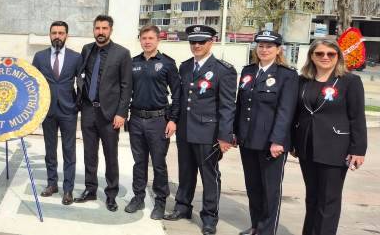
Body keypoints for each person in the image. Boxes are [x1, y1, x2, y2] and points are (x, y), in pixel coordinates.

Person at [164, 25, 237, 235]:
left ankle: (209, 217)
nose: (196, 46)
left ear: (211, 42)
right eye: (193, 42)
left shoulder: (224, 70)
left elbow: (227, 105)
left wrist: (225, 136)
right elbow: (179, 98)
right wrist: (174, 120)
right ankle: (182, 207)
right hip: (186, 130)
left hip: (209, 133)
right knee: (185, 173)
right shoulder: (186, 67)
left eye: (201, 42)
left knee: (209, 177)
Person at [293, 39, 366, 235]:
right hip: (307, 147)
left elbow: (357, 117)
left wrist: (358, 150)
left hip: (335, 148)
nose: (325, 57)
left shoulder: (350, 81)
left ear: (338, 56)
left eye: (330, 54)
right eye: (319, 53)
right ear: (311, 56)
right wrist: (293, 141)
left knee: (328, 199)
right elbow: (296, 113)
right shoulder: (303, 81)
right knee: (312, 197)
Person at [234, 30, 298, 235]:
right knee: (253, 187)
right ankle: (256, 226)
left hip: (271, 143)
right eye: (260, 45)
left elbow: (286, 111)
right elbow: (241, 105)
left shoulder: (286, 75)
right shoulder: (248, 71)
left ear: (278, 49)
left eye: (269, 46)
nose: (264, 49)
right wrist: (235, 132)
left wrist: (277, 140)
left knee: (270, 190)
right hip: (247, 139)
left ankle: (267, 230)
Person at [74, 15, 132, 212]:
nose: (100, 32)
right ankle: (90, 190)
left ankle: (111, 194)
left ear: (111, 30)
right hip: (89, 110)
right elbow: (81, 75)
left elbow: (126, 86)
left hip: (109, 115)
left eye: (104, 28)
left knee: (110, 156)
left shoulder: (122, 54)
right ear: (93, 29)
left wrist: (121, 113)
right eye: (97, 28)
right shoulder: (87, 49)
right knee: (89, 154)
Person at [125, 25, 181, 219]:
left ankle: (160, 202)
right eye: (143, 38)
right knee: (138, 162)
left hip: (159, 120)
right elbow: (126, 92)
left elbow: (177, 93)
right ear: (140, 40)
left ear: (158, 40)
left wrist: (173, 120)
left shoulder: (167, 63)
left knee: (158, 163)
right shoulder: (133, 63)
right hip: (137, 119)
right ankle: (138, 197)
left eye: (150, 38)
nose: (147, 41)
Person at [31, 21, 82, 205]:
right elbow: (33, 84)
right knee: (50, 150)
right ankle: (52, 184)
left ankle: (68, 189)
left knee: (69, 151)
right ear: (49, 35)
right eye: (54, 33)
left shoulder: (76, 58)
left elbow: (81, 83)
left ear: (67, 35)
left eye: (61, 33)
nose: (57, 36)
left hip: (68, 111)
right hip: (48, 111)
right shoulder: (39, 57)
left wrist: (77, 104)